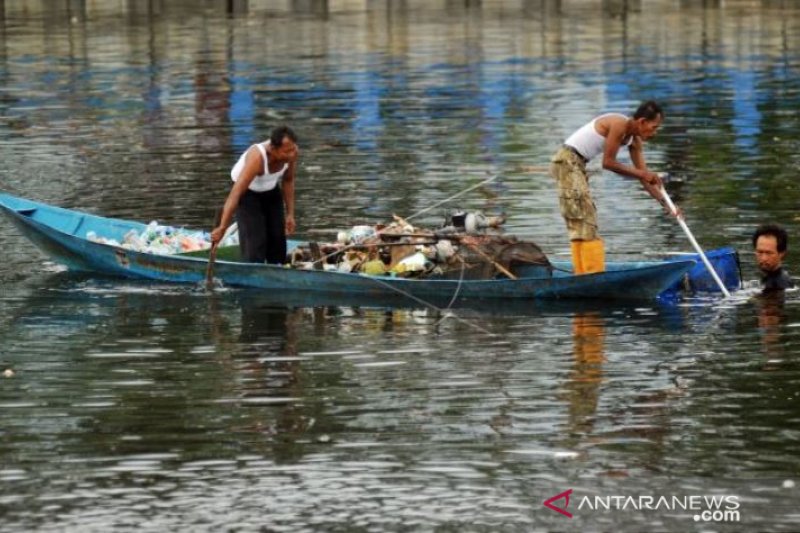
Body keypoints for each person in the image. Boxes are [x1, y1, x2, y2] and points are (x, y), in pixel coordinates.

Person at [550, 100, 670, 274]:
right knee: (585, 217)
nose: (655, 132)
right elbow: (608, 163)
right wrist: (643, 174)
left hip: (577, 164)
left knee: (582, 219)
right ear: (642, 121)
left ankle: (584, 272)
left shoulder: (635, 141)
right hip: (567, 161)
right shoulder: (619, 124)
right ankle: (592, 274)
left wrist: (666, 203)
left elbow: (645, 178)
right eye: (654, 127)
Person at [211, 126, 299, 264]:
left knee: (278, 239)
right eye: (287, 152)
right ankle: (252, 270)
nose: (292, 154)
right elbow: (236, 194)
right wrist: (222, 227)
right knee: (256, 242)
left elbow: (288, 181)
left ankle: (276, 271)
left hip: (270, 190)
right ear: (273, 149)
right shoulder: (257, 157)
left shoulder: (292, 152)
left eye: (293, 149)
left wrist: (290, 215)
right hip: (247, 194)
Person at [752, 223, 794, 291]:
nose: (763, 258)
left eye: (769, 253)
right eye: (760, 252)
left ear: (782, 253)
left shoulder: (779, 285)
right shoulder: (770, 278)